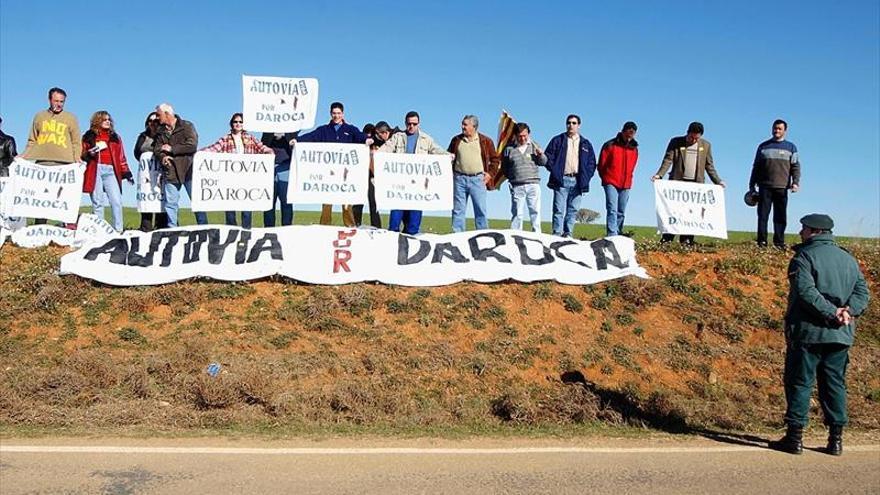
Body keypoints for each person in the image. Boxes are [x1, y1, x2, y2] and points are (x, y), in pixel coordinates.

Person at [768, 214, 870, 456]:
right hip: (840, 335)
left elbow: (805, 292)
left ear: (814, 231)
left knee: (800, 382)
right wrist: (847, 312)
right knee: (835, 385)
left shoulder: (803, 257)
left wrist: (831, 312)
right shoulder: (849, 259)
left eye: (803, 228)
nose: (800, 232)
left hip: (808, 332)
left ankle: (795, 438)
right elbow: (862, 293)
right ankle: (835, 440)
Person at [294, 101, 370, 227]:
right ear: (330, 114)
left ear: (343, 114)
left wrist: (366, 139)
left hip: (345, 174)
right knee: (327, 202)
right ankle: (324, 227)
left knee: (346, 204)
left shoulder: (350, 130)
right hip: (328, 174)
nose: (336, 116)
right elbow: (311, 136)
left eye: (339, 113)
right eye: (334, 113)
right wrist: (297, 140)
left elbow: (360, 136)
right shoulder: (324, 130)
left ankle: (350, 227)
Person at [651, 121, 726, 244]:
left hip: (695, 186)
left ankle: (687, 240)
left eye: (697, 138)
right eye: (692, 137)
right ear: (688, 133)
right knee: (674, 211)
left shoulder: (706, 146)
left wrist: (718, 181)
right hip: (678, 184)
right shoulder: (676, 142)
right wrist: (659, 175)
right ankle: (667, 238)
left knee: (692, 214)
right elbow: (668, 160)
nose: (694, 140)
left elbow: (709, 166)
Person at [379, 111, 447, 235]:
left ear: (419, 124)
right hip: (399, 186)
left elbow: (437, 150)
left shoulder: (426, 139)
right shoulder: (398, 137)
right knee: (395, 220)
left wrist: (448, 156)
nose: (411, 126)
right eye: (409, 124)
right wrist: (376, 153)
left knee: (413, 223)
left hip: (417, 187)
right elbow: (386, 148)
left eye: (414, 124)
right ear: (405, 123)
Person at [201, 112, 274, 229]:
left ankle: (246, 232)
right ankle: (232, 231)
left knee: (246, 209)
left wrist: (269, 152)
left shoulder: (250, 138)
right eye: (236, 122)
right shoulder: (225, 139)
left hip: (247, 178)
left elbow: (261, 147)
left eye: (241, 122)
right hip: (229, 179)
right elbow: (213, 149)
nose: (238, 124)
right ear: (232, 124)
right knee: (230, 209)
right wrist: (199, 154)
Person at [21, 87, 82, 225]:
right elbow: (32, 140)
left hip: (64, 165)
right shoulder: (39, 116)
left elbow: (76, 141)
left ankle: (67, 228)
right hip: (43, 164)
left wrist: (77, 157)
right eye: (56, 101)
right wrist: (24, 156)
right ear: (49, 100)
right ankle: (40, 227)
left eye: (62, 101)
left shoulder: (71, 118)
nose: (59, 104)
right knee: (42, 197)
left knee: (63, 198)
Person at [153, 103, 207, 227]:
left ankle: (204, 228)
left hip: (189, 170)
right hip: (171, 171)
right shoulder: (160, 131)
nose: (157, 117)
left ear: (167, 114)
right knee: (170, 204)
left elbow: (192, 145)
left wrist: (172, 149)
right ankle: (172, 230)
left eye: (158, 114)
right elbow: (157, 149)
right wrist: (163, 157)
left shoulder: (187, 126)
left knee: (197, 202)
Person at [749, 119, 801, 249]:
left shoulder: (791, 147)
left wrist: (795, 182)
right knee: (762, 216)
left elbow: (795, 166)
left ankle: (779, 242)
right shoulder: (763, 146)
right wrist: (751, 184)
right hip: (765, 186)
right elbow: (756, 166)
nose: (776, 131)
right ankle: (762, 242)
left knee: (780, 216)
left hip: (782, 187)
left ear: (785, 131)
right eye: (775, 128)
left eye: (779, 129)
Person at [543, 114, 597, 238]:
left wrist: (586, 177)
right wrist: (555, 170)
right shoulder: (558, 140)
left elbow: (592, 163)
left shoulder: (586, 144)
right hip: (561, 180)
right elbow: (548, 157)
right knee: (558, 210)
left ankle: (568, 234)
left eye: (574, 123)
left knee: (573, 210)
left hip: (578, 181)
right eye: (569, 123)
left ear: (579, 125)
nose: (571, 125)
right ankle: (557, 234)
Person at [81, 111, 133, 232]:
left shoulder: (115, 137)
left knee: (116, 201)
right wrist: (90, 153)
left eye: (109, 119)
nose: (108, 122)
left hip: (111, 170)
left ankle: (118, 230)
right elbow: (82, 154)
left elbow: (121, 156)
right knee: (98, 201)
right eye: (104, 120)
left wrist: (126, 172)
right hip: (95, 169)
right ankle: (100, 230)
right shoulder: (89, 136)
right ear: (97, 121)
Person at [447, 114, 500, 232]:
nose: (462, 127)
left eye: (465, 125)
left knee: (480, 209)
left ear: (474, 126)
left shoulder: (485, 141)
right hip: (459, 179)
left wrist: (490, 174)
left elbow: (495, 160)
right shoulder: (456, 140)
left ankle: (483, 235)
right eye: (463, 124)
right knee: (458, 209)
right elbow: (448, 156)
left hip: (478, 179)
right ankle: (458, 236)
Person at [501, 122, 546, 232]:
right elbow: (504, 167)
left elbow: (544, 162)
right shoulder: (509, 149)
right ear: (515, 135)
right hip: (517, 185)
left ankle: (537, 235)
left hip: (533, 184)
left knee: (535, 211)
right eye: (520, 136)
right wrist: (512, 178)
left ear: (528, 134)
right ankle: (516, 236)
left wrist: (541, 155)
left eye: (525, 135)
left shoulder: (534, 145)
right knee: (517, 213)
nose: (523, 138)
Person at [598, 121, 639, 236]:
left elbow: (633, 165)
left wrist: (629, 178)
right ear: (623, 131)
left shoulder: (634, 149)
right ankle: (612, 235)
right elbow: (601, 164)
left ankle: (618, 232)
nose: (629, 137)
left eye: (632, 135)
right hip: (611, 181)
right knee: (612, 208)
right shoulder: (610, 145)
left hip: (626, 184)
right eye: (627, 134)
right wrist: (606, 178)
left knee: (621, 211)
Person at [133, 112, 168, 231]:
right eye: (150, 121)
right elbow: (137, 152)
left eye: (155, 121)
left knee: (160, 198)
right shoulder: (143, 136)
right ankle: (145, 227)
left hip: (160, 172)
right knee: (146, 199)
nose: (153, 123)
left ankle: (161, 227)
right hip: (146, 173)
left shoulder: (164, 136)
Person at [351, 121, 384, 228]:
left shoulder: (379, 147)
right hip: (361, 175)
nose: (369, 136)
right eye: (367, 134)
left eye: (371, 134)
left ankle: (376, 226)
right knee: (358, 202)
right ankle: (356, 224)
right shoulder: (359, 146)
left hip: (372, 176)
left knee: (373, 202)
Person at [261, 131, 297, 227]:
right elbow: (263, 142)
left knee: (286, 201)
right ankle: (269, 229)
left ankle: (286, 229)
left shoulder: (292, 128)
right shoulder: (267, 128)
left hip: (286, 166)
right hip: (269, 165)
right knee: (269, 201)